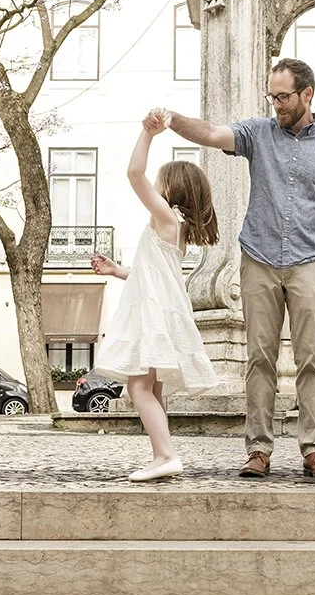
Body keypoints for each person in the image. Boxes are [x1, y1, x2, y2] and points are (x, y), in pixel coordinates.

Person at [162, 58, 315, 480]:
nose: (277, 105)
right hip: (260, 258)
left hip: (309, 262)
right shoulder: (258, 133)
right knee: (259, 359)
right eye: (272, 97)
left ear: (307, 94)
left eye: (284, 97)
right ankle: (258, 450)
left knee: (311, 359)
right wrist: (171, 119)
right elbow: (213, 133)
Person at [89, 110, 220, 482]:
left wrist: (147, 134)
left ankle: (165, 454)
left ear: (171, 189)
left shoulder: (166, 217)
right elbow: (152, 275)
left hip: (155, 316)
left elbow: (133, 174)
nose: (155, 187)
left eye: (161, 182)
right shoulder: (174, 228)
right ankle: (161, 455)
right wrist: (117, 271)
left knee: (138, 386)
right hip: (163, 310)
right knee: (153, 388)